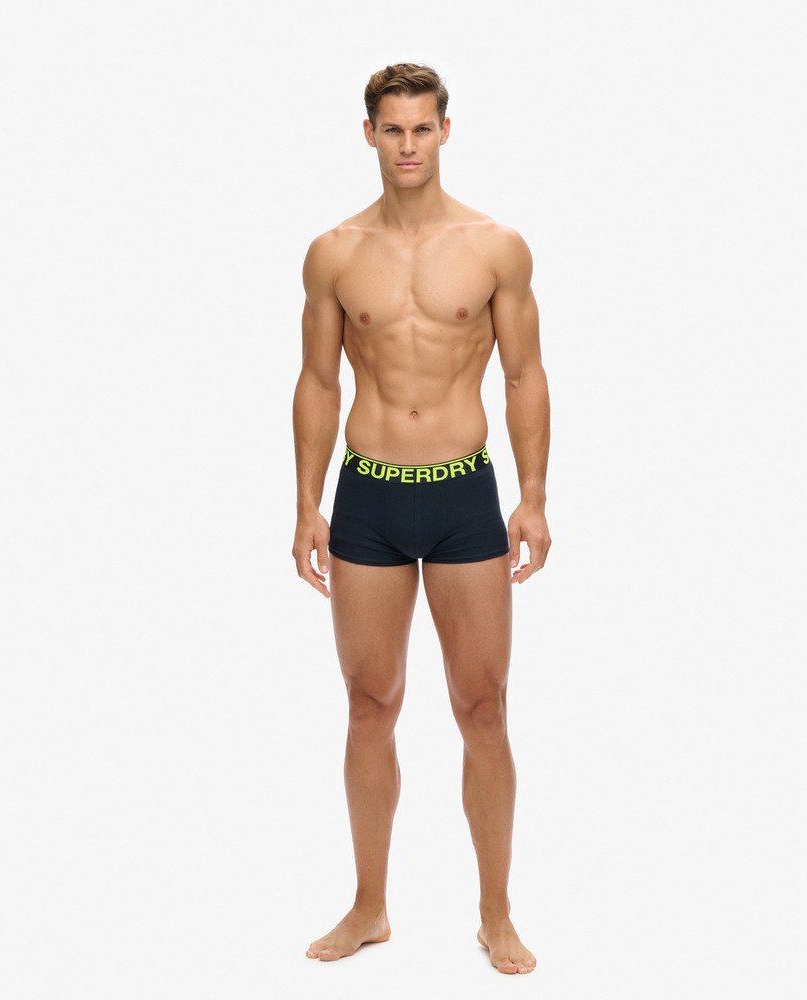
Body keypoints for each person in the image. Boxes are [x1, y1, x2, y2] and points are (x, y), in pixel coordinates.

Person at [291, 62, 551, 976]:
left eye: (422, 128)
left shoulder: (494, 247)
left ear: (446, 131)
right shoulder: (333, 252)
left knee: (483, 708)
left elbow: (524, 374)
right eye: (392, 129)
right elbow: (318, 382)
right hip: (366, 495)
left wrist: (532, 495)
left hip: (461, 494)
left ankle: (496, 913)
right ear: (370, 134)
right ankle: (369, 908)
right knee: (369, 706)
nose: (408, 145)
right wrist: (306, 503)